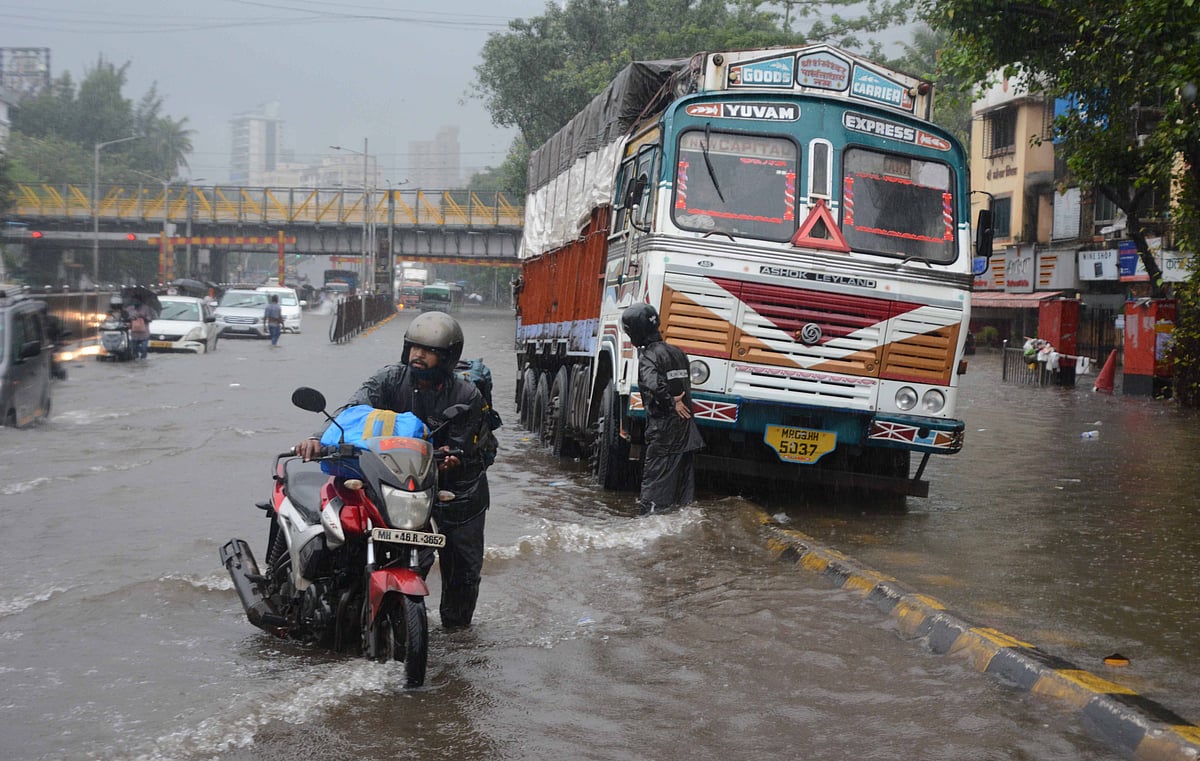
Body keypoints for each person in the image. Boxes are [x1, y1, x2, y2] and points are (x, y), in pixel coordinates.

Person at [295, 311, 491, 629]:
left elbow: (467, 449)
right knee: (403, 556)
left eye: (428, 351)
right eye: (414, 347)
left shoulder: (467, 395)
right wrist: (318, 439)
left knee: (463, 573)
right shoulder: (389, 379)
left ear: (447, 358)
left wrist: (452, 459)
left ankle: (458, 638)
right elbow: (352, 411)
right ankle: (388, 623)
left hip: (458, 493)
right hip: (404, 487)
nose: (418, 355)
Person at [621, 303, 704, 516]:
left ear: (636, 331)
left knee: (655, 491)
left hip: (664, 432)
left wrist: (670, 401)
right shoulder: (678, 353)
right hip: (685, 433)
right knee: (682, 493)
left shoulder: (649, 356)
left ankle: (649, 529)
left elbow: (653, 384)